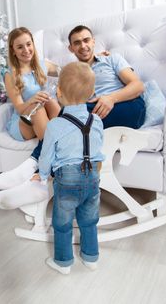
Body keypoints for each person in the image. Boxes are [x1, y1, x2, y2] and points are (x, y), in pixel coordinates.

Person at [0, 25, 145, 198]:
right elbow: (61, 76)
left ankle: (31, 169)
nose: (83, 46)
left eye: (86, 40)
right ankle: (39, 178)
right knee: (66, 116)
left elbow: (138, 86)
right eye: (77, 43)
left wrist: (111, 98)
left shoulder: (112, 59)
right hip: (91, 112)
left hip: (127, 105)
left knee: (68, 115)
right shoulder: (73, 71)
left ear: (94, 41)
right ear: (71, 48)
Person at [35, 61, 104, 274]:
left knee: (63, 223)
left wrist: (43, 174)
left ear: (58, 92)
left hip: (67, 180)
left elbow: (46, 155)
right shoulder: (97, 120)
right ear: (92, 93)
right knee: (89, 219)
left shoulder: (55, 124)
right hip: (92, 177)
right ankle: (91, 257)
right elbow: (99, 149)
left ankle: (63, 262)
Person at [0, 27, 61, 191]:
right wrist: (32, 100)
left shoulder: (42, 65)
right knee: (38, 108)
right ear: (13, 51)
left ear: (33, 43)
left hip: (42, 114)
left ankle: (45, 165)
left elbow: (64, 71)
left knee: (51, 102)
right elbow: (18, 107)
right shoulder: (11, 74)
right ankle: (48, 169)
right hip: (23, 121)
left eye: (28, 44)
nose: (26, 50)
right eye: (20, 47)